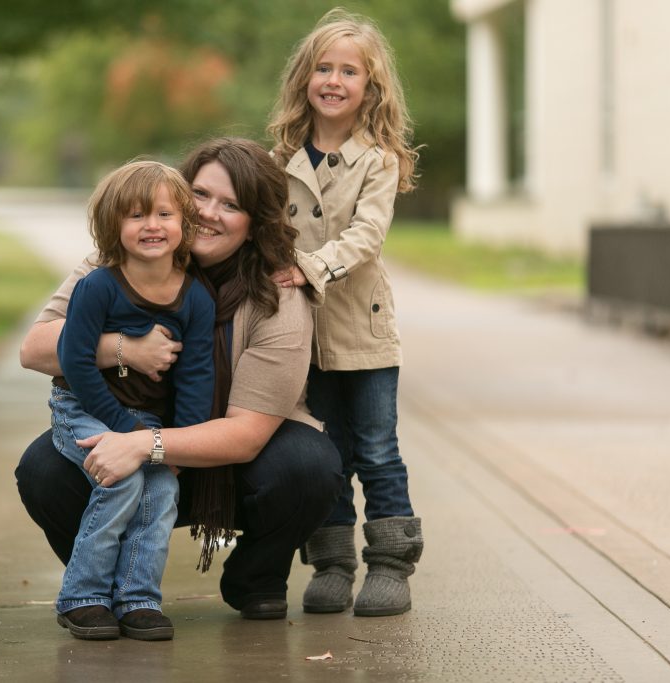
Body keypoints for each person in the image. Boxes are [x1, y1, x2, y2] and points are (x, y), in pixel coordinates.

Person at [17, 137, 344, 624]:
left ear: (254, 223)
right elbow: (35, 348)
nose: (209, 213)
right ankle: (100, 590)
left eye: (231, 205)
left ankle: (256, 576)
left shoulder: (277, 293)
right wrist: (125, 347)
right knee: (44, 467)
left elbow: (248, 432)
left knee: (309, 464)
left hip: (226, 461)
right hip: (123, 423)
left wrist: (146, 445)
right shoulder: (120, 259)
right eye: (200, 194)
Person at [268, 7, 424, 617]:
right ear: (305, 78)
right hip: (302, 334)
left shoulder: (378, 160)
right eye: (323, 68)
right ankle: (332, 562)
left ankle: (391, 565)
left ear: (370, 86)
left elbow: (366, 237)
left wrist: (307, 267)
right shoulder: (280, 159)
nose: (334, 80)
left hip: (363, 329)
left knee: (377, 448)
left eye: (349, 71)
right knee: (326, 450)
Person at [48, 160, 215, 642]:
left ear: (184, 223)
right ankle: (83, 597)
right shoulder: (97, 286)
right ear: (112, 225)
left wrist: (176, 443)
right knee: (120, 481)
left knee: (161, 490)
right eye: (136, 215)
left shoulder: (194, 298)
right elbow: (76, 363)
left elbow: (197, 375)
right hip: (81, 407)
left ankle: (138, 600)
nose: (152, 226)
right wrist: (127, 428)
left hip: (147, 423)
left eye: (164, 214)